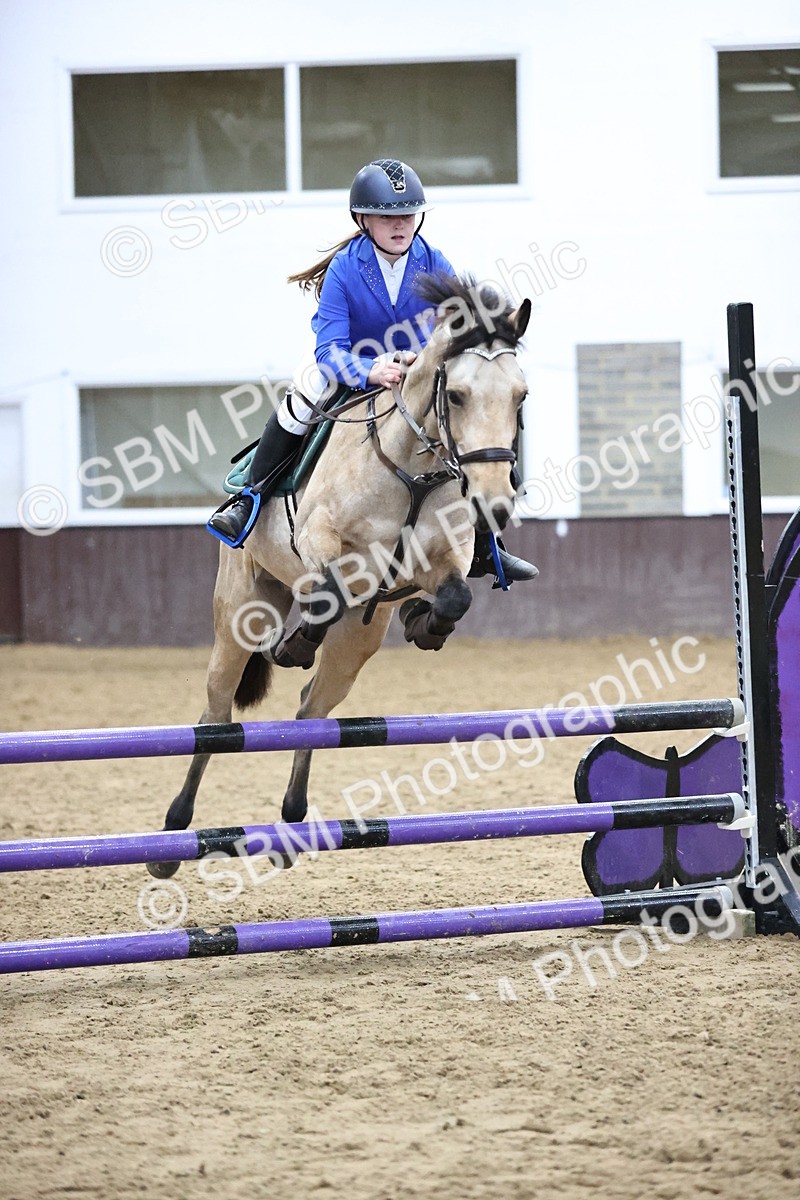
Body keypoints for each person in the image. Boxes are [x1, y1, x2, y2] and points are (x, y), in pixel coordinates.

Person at [208, 158, 537, 583]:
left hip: (415, 371)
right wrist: (371, 369)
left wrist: (420, 361)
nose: (399, 224)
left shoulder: (434, 260)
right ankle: (250, 502)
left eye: (407, 214)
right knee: (300, 397)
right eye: (387, 217)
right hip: (350, 364)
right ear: (363, 219)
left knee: (475, 416)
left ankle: (487, 546)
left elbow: (456, 335)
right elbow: (329, 348)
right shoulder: (346, 267)